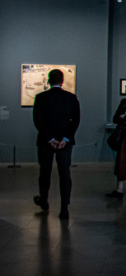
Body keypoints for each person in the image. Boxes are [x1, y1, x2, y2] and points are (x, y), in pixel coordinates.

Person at [32, 69, 80, 220]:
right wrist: (65, 138)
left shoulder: (40, 98)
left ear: (48, 80)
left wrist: (50, 139)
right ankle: (64, 208)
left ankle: (44, 201)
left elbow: (38, 121)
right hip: (64, 143)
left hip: (46, 142)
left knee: (44, 173)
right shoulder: (71, 98)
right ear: (62, 80)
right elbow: (75, 121)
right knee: (64, 174)